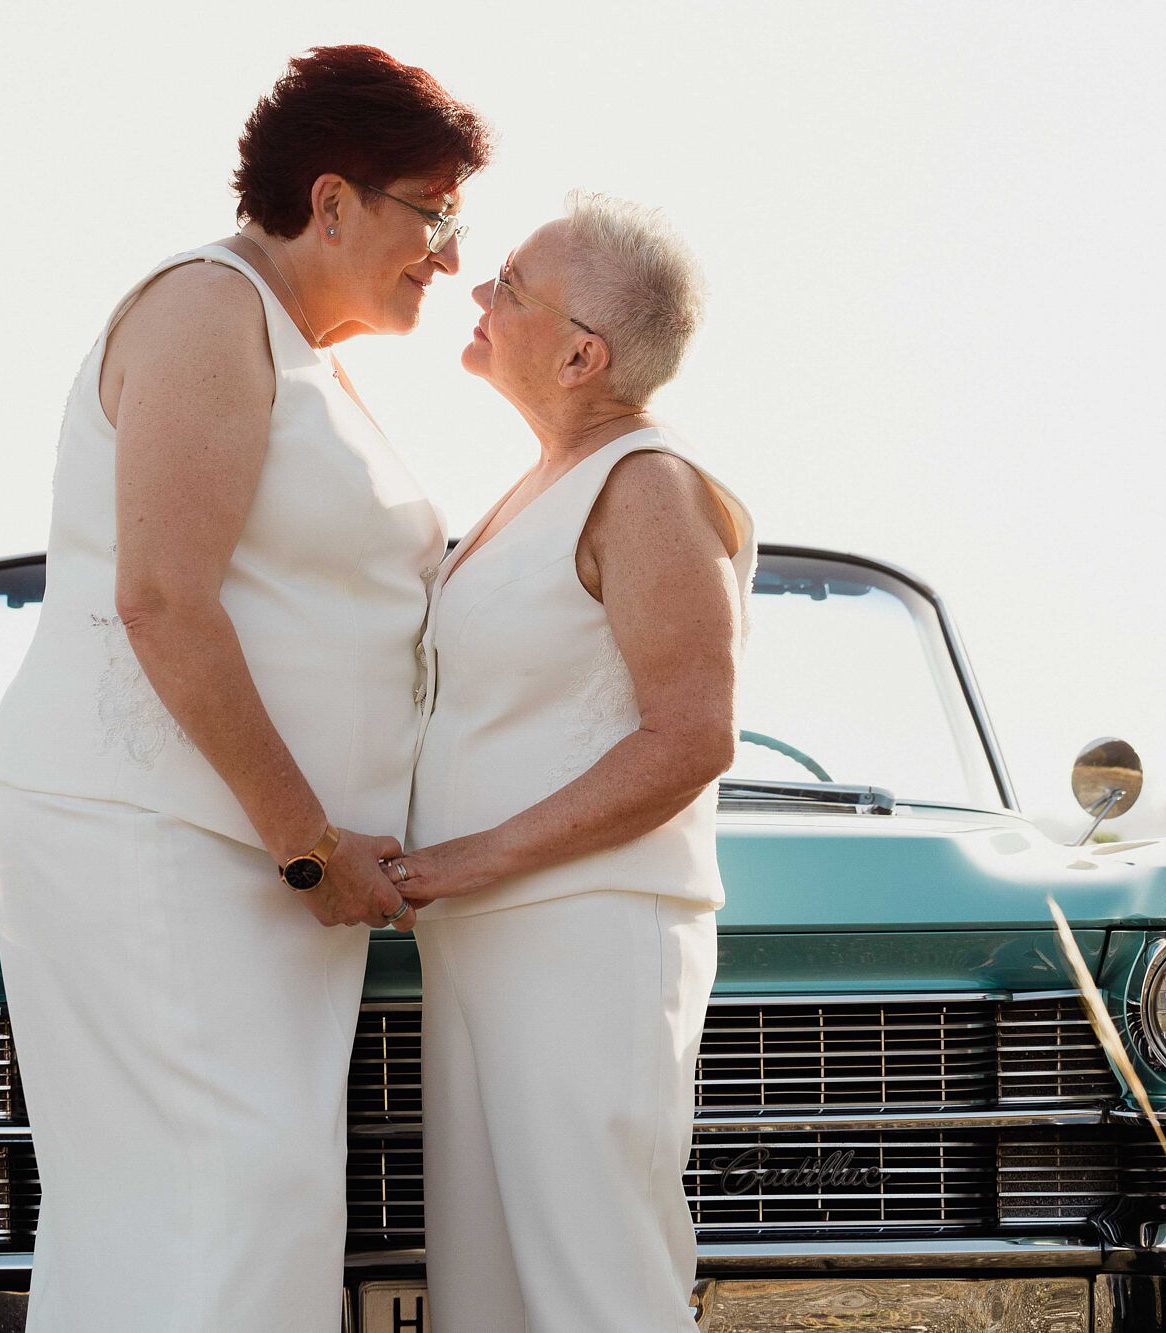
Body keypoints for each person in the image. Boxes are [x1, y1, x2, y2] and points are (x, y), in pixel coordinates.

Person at [0, 46, 489, 1328]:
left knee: (231, 1208)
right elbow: (161, 599)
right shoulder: (206, 307)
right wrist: (308, 846)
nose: (451, 255)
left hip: (253, 860)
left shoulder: (299, 344)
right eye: (433, 213)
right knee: (222, 1200)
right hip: (162, 841)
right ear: (330, 200)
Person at [389, 191, 752, 1332]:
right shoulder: (539, 483)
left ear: (581, 352)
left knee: (595, 1285)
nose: (475, 293)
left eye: (506, 285)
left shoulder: (645, 482)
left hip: (584, 936)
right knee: (493, 1291)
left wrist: (466, 859)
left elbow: (690, 736)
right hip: (489, 940)